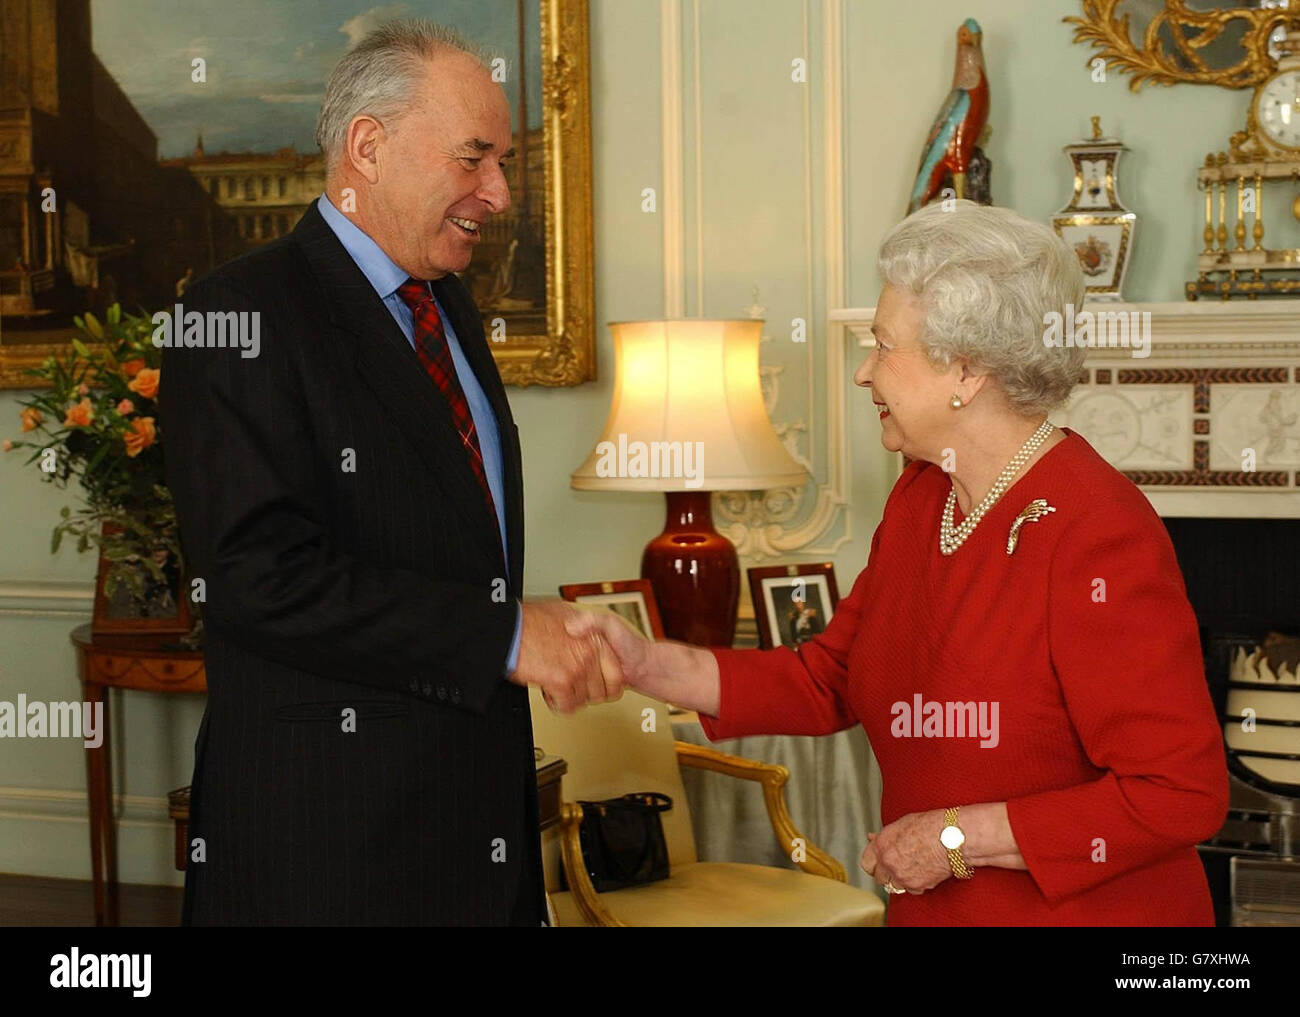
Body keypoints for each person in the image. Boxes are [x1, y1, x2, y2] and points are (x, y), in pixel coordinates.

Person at [568, 201, 1229, 926]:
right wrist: (642, 661)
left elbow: (1179, 792)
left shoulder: (1096, 529)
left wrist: (954, 838)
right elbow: (829, 678)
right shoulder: (925, 494)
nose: (863, 372)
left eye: (883, 345)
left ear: (967, 369)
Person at [160, 19, 621, 926]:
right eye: (474, 159)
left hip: (473, 834)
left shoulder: (449, 304)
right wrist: (499, 635)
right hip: (326, 847)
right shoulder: (232, 315)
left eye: (502, 164)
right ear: (368, 147)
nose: (497, 191)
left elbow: (444, 540)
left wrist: (524, 626)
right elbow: (258, 578)